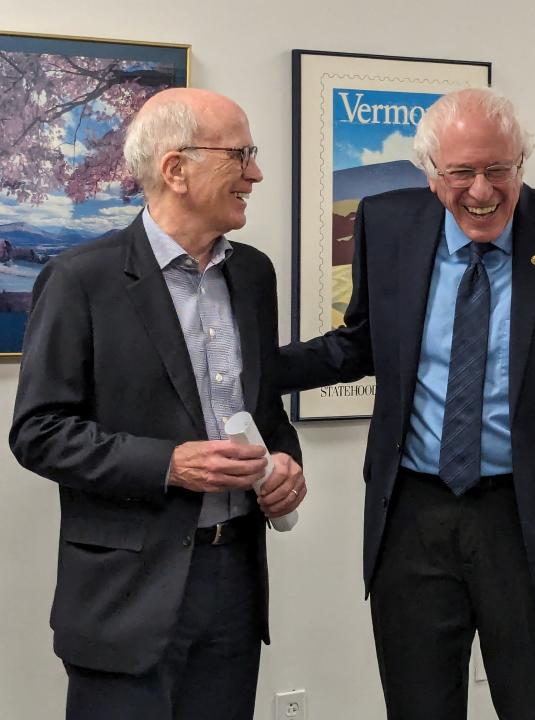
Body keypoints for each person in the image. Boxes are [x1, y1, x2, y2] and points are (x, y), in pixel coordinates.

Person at [280, 87, 535, 719]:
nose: (481, 191)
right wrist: (254, 370)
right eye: (462, 173)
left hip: (529, 517)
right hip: (414, 514)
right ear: (430, 172)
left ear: (521, 164)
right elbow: (362, 342)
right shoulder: (388, 224)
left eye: (499, 170)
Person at [9, 88, 306, 720]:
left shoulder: (253, 276)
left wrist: (285, 465)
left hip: (234, 583)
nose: (255, 172)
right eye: (241, 154)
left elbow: (267, 412)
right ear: (176, 169)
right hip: (125, 599)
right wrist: (170, 464)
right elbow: (38, 432)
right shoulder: (80, 279)